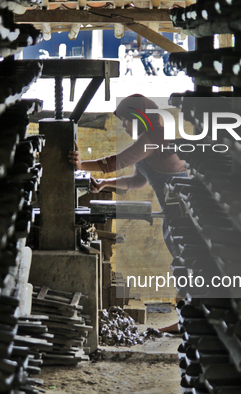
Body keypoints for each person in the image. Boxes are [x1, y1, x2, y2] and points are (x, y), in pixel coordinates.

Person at [68, 94, 187, 333]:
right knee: (183, 264)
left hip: (186, 209)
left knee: (189, 264)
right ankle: (188, 319)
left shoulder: (153, 137)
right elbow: (136, 181)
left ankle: (188, 321)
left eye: (126, 120)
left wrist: (82, 165)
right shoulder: (148, 140)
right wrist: (104, 184)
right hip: (174, 210)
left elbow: (117, 161)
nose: (123, 125)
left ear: (140, 117)